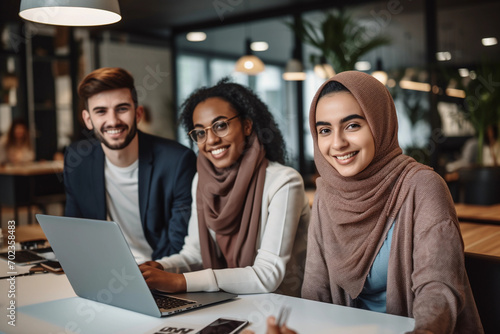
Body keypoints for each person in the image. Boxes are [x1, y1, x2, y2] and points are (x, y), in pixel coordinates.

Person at [301, 71, 483, 333]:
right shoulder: (326, 195)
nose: (337, 143)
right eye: (325, 130)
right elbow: (314, 289)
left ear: (379, 123)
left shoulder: (422, 186)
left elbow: (438, 288)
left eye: (352, 125)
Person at [139, 78, 310, 297]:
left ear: (247, 125)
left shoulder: (284, 182)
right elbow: (195, 254)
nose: (211, 140)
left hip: (284, 309)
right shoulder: (201, 181)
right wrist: (159, 268)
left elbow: (268, 275)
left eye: (220, 125)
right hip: (232, 302)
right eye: (200, 132)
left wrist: (180, 281)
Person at [64, 67, 197, 263]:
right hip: (101, 268)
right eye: (101, 111)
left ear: (138, 114)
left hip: (160, 271)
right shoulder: (77, 159)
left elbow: (178, 245)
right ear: (88, 120)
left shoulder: (177, 161)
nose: (113, 121)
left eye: (122, 108)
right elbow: (73, 232)